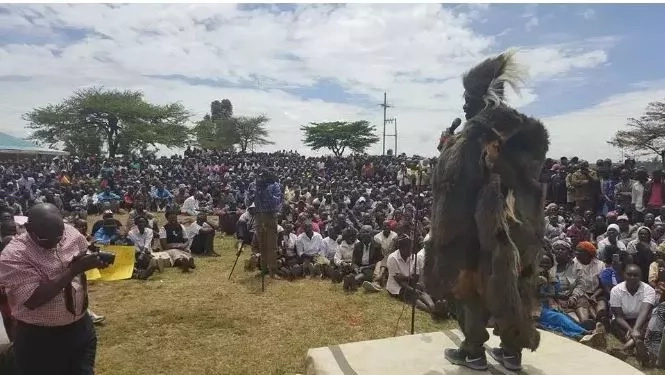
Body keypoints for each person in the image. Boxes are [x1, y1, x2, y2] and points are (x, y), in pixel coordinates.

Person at [0, 203, 110, 375]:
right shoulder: (14, 255)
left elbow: (82, 253)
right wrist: (73, 270)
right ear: (28, 228)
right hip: (39, 339)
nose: (54, 243)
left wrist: (93, 260)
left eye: (59, 237)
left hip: (80, 328)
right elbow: (34, 299)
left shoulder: (70, 232)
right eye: (46, 239)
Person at [609, 264, 657, 358]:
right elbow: (618, 316)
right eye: (629, 274)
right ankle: (637, 344)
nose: (632, 277)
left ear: (641, 277)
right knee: (614, 323)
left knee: (649, 325)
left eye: (636, 275)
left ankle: (624, 348)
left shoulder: (649, 290)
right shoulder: (616, 290)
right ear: (624, 275)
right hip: (623, 321)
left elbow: (644, 312)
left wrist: (636, 329)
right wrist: (631, 330)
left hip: (641, 320)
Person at [253, 170, 283, 279]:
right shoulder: (256, 185)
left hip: (270, 216)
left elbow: (276, 202)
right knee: (262, 244)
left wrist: (266, 191)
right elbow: (249, 200)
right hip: (259, 216)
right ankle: (263, 269)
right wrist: (257, 191)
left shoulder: (275, 186)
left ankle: (272, 271)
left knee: (271, 246)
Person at [158, 208, 195, 272]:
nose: (173, 220)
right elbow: (165, 246)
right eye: (171, 218)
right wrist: (178, 246)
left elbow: (186, 240)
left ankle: (188, 261)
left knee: (185, 252)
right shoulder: (163, 229)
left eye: (175, 218)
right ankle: (184, 263)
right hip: (169, 250)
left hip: (181, 248)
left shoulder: (181, 227)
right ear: (167, 219)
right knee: (175, 253)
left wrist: (184, 245)